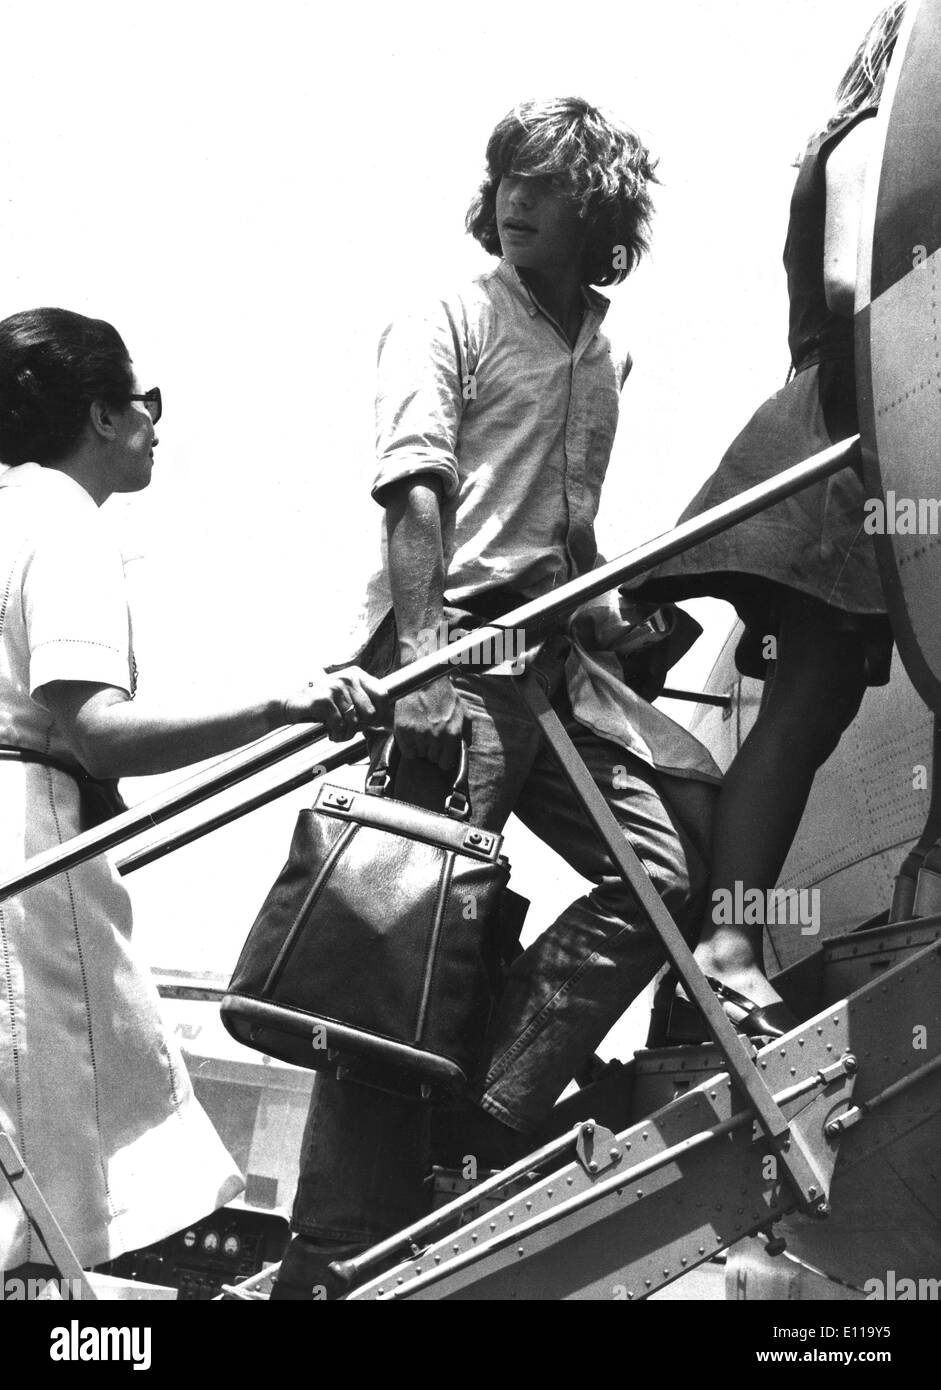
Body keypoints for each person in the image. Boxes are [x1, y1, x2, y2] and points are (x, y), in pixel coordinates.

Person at [272, 96, 722, 1299]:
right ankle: (328, 1245)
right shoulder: (448, 314)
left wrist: (607, 616)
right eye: (502, 175)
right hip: (453, 647)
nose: (511, 196)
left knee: (661, 868)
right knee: (405, 923)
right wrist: (420, 658)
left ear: (599, 208)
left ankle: (491, 1108)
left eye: (543, 181)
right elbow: (413, 487)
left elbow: (558, 526)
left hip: (548, 652)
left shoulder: (602, 347)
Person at [0, 307, 386, 1284]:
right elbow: (97, 728)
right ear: (99, 414)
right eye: (145, 402)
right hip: (27, 850)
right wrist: (282, 703)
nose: (156, 425)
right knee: (42, 1182)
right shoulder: (62, 520)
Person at [626, 2, 906, 1041]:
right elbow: (845, 281)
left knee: (814, 704)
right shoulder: (866, 138)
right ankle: (725, 952)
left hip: (851, 432)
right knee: (801, 709)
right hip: (834, 434)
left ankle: (715, 956)